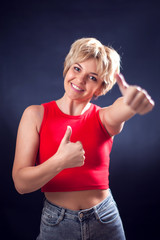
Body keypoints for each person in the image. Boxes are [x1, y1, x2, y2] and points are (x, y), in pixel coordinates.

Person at [12, 38, 154, 240]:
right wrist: (60, 161)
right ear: (68, 67)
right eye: (77, 69)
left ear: (100, 88)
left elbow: (121, 109)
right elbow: (21, 184)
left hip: (105, 219)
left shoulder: (103, 117)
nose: (80, 79)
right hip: (56, 223)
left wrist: (132, 101)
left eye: (92, 77)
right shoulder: (34, 115)